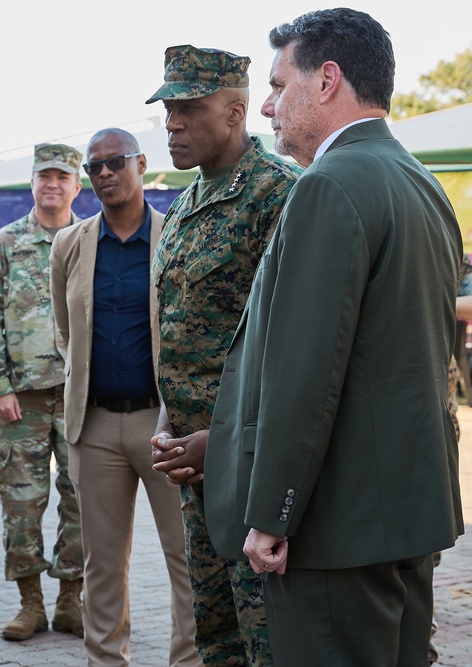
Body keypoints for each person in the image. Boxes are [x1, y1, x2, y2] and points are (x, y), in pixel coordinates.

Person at [203, 9, 464, 666]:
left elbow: (306, 372)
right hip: (404, 513)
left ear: (326, 79)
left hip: (336, 527)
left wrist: (272, 512)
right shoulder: (421, 183)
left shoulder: (329, 185)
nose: (266, 105)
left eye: (277, 83)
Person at [144, 45, 300, 667]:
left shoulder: (279, 195)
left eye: (187, 108)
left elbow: (295, 346)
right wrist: (166, 418)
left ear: (236, 112)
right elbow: (176, 333)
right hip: (195, 467)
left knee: (270, 636)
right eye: (167, 109)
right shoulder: (183, 206)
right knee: (217, 636)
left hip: (254, 469)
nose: (172, 123)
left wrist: (226, 439)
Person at [50, 128, 202, 667]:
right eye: (95, 168)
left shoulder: (177, 235)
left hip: (164, 426)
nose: (105, 174)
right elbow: (67, 331)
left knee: (187, 559)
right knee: (103, 565)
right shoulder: (70, 244)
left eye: (116, 162)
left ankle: (189, 661)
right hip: (94, 428)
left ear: (140, 164)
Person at [0, 143, 84, 641]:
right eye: (44, 176)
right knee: (21, 504)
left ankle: (70, 601)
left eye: (62, 176)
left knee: (83, 500)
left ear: (76, 185)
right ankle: (30, 604)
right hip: (22, 400)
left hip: (83, 396)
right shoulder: (6, 242)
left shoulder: (92, 239)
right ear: (33, 183)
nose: (52, 184)